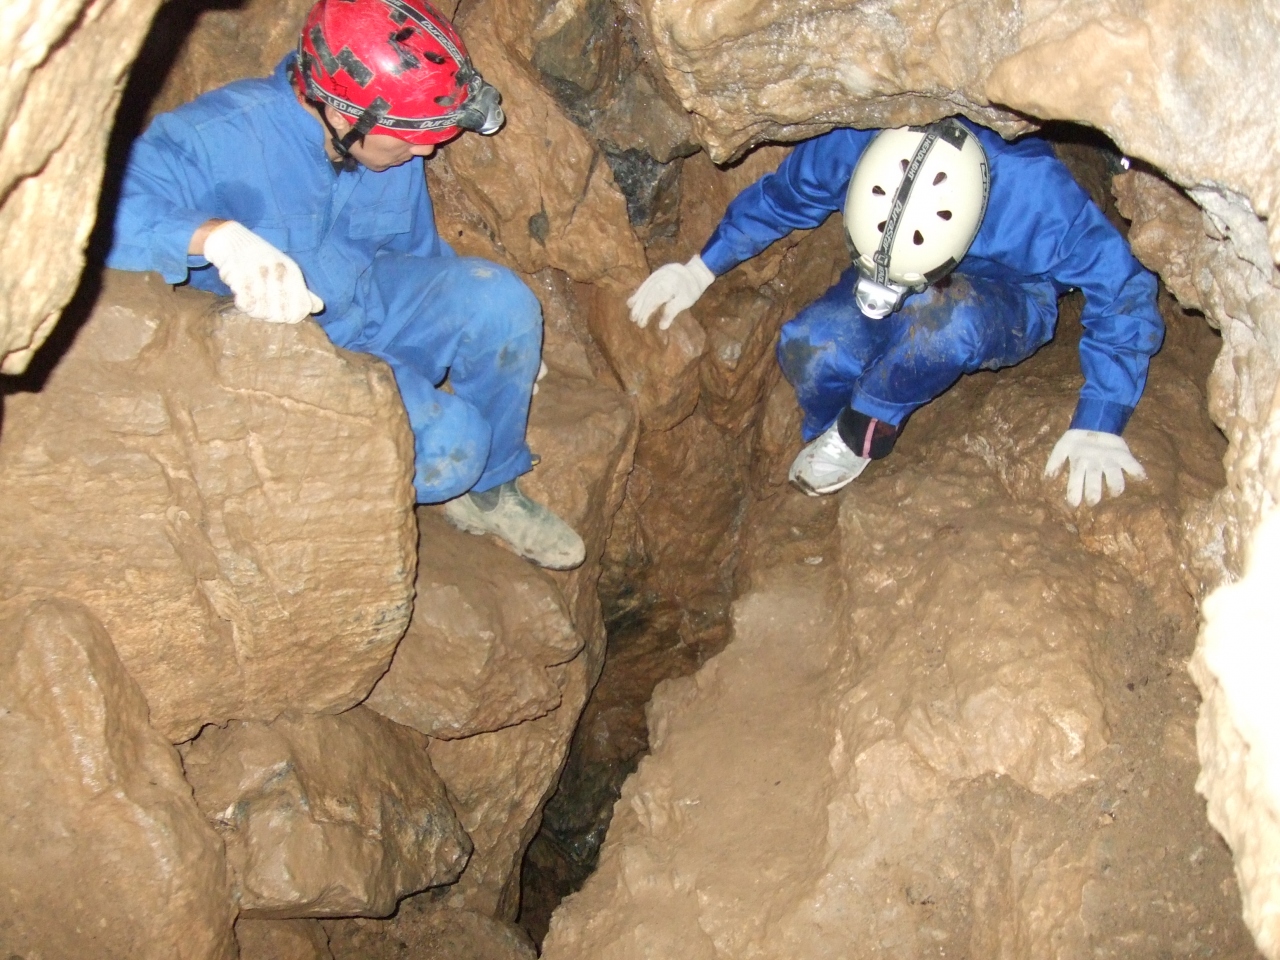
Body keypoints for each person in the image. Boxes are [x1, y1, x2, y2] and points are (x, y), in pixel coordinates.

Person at [106, 0, 585, 569]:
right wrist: (213, 236)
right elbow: (93, 210)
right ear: (341, 112)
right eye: (410, 134)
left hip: (366, 307)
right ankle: (355, 484)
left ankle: (491, 493)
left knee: (504, 303)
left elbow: (420, 257)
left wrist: (505, 349)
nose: (428, 149)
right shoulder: (219, 136)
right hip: (291, 357)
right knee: (454, 450)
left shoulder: (388, 147)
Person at [628, 119, 1164, 507]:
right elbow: (782, 197)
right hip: (889, 260)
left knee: (945, 324)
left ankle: (866, 428)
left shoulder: (1035, 199)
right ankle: (831, 424)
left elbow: (1121, 289)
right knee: (808, 345)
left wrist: (1101, 416)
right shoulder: (856, 144)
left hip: (1014, 289)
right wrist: (701, 266)